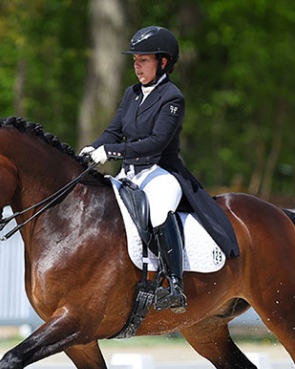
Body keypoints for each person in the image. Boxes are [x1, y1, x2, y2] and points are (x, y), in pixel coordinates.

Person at [81, 26, 239, 314]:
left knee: (157, 211)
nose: (137, 66)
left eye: (143, 60)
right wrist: (91, 150)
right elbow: (113, 131)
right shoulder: (131, 93)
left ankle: (174, 284)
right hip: (130, 173)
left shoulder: (172, 97)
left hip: (161, 172)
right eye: (135, 61)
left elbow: (155, 144)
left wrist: (111, 153)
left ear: (162, 62)